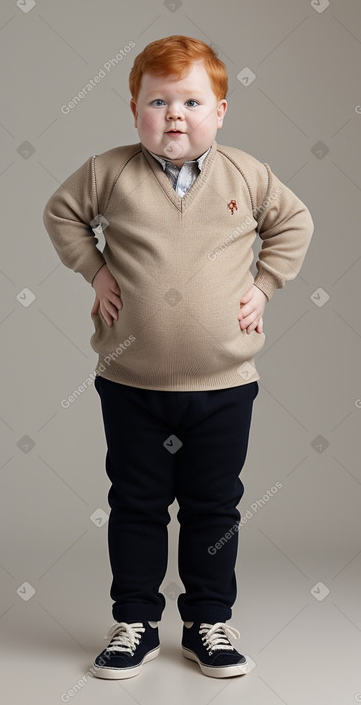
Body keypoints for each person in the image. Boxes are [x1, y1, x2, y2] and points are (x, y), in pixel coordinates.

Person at [43, 34, 314, 680]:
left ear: (219, 111)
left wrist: (263, 285)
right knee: (135, 504)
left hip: (222, 384)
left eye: (190, 101)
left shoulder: (246, 175)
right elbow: (61, 215)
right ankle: (133, 621)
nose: (173, 114)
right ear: (132, 107)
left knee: (212, 508)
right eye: (156, 100)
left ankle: (206, 623)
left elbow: (293, 223)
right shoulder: (108, 172)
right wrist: (96, 271)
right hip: (131, 382)